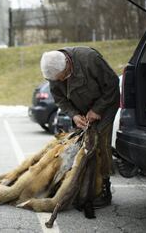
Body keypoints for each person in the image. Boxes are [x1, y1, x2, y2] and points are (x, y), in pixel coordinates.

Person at [40, 47, 120, 208]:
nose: (60, 81)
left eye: (62, 77)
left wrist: (97, 109)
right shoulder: (53, 70)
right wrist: (74, 115)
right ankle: (82, 186)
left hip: (105, 105)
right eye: (57, 79)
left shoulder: (89, 59)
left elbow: (112, 84)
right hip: (80, 111)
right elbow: (60, 99)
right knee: (80, 147)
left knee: (100, 144)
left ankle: (104, 187)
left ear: (68, 64)